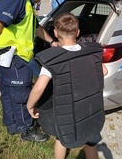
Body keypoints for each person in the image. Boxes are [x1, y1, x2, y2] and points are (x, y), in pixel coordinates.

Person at [0, 0, 59, 142]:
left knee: (8, 90)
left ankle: (12, 124)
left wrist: (52, 41)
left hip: (4, 54)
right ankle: (27, 130)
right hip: (11, 56)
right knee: (20, 92)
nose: (43, 0)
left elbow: (34, 26)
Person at [27, 12, 108, 159]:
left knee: (62, 138)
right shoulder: (91, 52)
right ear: (77, 32)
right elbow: (104, 70)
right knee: (90, 142)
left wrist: (30, 106)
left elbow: (39, 88)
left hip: (67, 112)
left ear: (55, 33)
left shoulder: (53, 59)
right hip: (90, 108)